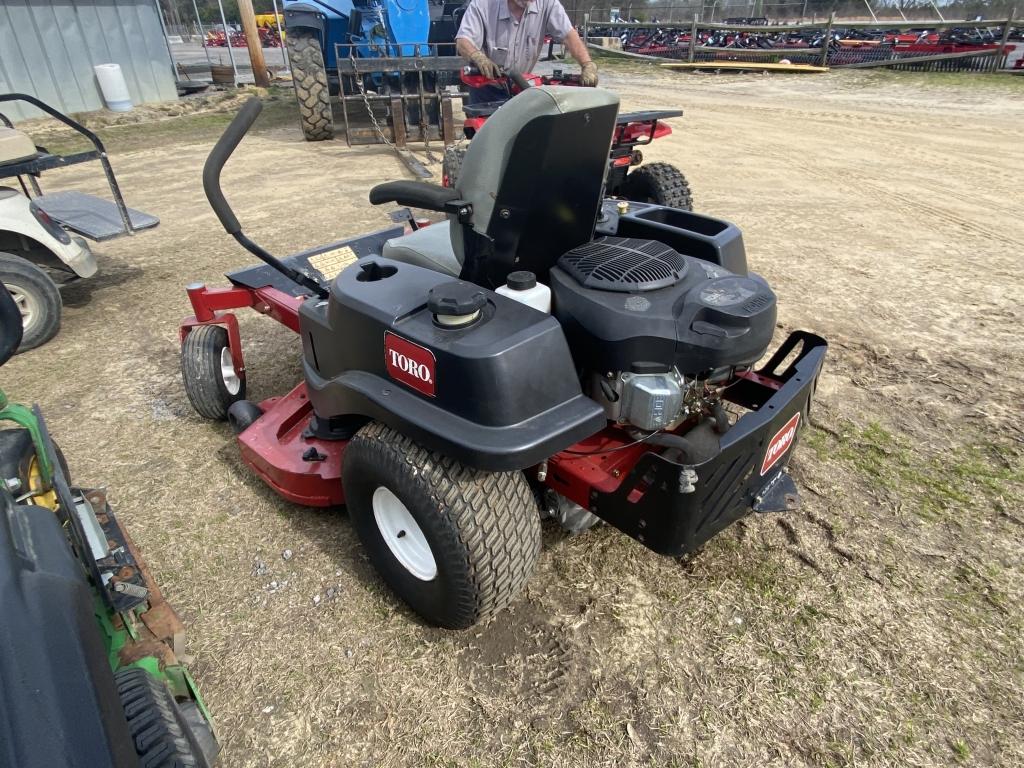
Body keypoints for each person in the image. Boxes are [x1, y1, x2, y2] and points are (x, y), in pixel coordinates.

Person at [455, 0, 598, 104]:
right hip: (486, 89)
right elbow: (463, 41)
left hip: (521, 87)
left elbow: (568, 35)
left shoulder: (547, 4)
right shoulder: (483, 4)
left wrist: (587, 64)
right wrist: (478, 57)